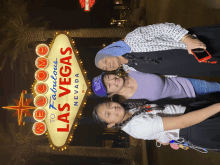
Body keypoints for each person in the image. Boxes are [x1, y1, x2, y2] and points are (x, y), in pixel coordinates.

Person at [94, 23, 220, 77]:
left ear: (109, 51)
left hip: (195, 45)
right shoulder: (131, 71)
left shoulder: (132, 39)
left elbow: (163, 28)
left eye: (104, 61)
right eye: (105, 68)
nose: (108, 65)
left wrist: (187, 39)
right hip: (198, 66)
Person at [93, 100, 220, 152]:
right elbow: (182, 122)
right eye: (108, 114)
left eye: (109, 105)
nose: (113, 109)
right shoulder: (137, 126)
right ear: (111, 125)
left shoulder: (129, 109)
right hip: (195, 126)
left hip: (192, 114)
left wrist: (164, 137)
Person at [92, 70, 220, 102]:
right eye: (109, 86)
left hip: (188, 85)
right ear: (111, 94)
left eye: (108, 77)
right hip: (189, 104)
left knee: (216, 87)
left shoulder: (131, 70)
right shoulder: (132, 103)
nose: (113, 80)